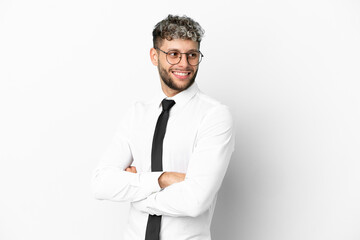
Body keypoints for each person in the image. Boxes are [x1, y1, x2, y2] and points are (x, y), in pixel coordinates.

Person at [92, 14, 235, 240]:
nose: (184, 64)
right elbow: (101, 184)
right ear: (154, 56)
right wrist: (163, 179)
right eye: (173, 54)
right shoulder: (137, 113)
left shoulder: (214, 116)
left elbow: (195, 201)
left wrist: (134, 191)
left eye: (192, 55)